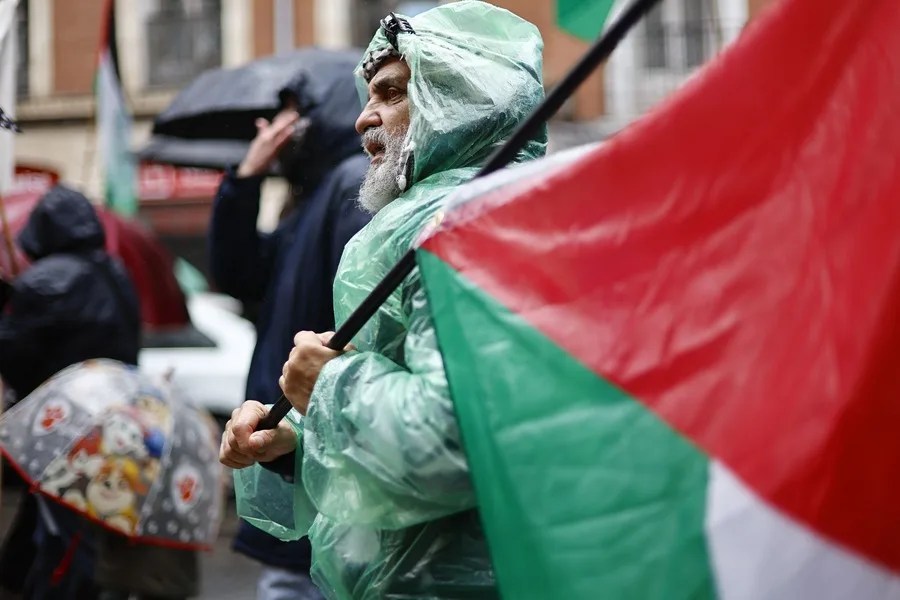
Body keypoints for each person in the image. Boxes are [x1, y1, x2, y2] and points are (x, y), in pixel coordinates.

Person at [219, 2, 547, 598]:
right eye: (369, 94)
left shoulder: (474, 230)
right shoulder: (420, 223)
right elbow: (402, 404)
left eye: (392, 92)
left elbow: (454, 442)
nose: (362, 118)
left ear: (461, 103)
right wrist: (290, 436)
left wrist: (328, 388)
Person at [208, 51, 371, 599]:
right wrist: (245, 180)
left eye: (291, 113)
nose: (273, 127)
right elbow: (237, 274)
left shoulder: (351, 184)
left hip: (312, 460)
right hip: (288, 451)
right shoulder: (312, 200)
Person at [0, 185, 141, 599]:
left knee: (61, 531)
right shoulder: (116, 270)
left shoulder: (44, 279)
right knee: (81, 519)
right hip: (114, 416)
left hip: (59, 422)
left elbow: (12, 351)